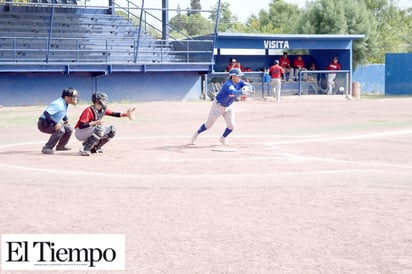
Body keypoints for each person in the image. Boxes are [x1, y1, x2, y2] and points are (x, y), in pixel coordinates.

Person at [191, 68, 251, 146]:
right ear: (233, 76)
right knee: (208, 125)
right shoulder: (228, 85)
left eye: (240, 76)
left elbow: (249, 86)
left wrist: (247, 87)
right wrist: (242, 91)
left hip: (229, 106)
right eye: (238, 76)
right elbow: (234, 92)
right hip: (218, 106)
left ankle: (222, 138)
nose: (240, 77)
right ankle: (196, 134)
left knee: (231, 126)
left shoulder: (240, 82)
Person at [74, 92, 135, 156]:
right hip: (80, 132)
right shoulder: (88, 110)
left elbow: (114, 114)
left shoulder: (102, 109)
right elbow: (81, 125)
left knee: (112, 130)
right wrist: (95, 122)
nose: (105, 101)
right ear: (97, 101)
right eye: (103, 100)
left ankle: (94, 148)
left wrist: (127, 115)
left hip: (89, 130)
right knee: (100, 129)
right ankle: (84, 149)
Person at [37, 87, 79, 154]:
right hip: (43, 123)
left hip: (50, 122)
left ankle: (61, 146)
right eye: (72, 97)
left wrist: (66, 119)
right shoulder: (58, 104)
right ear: (66, 97)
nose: (74, 98)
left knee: (69, 129)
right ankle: (47, 148)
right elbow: (46, 113)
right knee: (60, 130)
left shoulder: (65, 103)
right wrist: (55, 123)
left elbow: (62, 112)